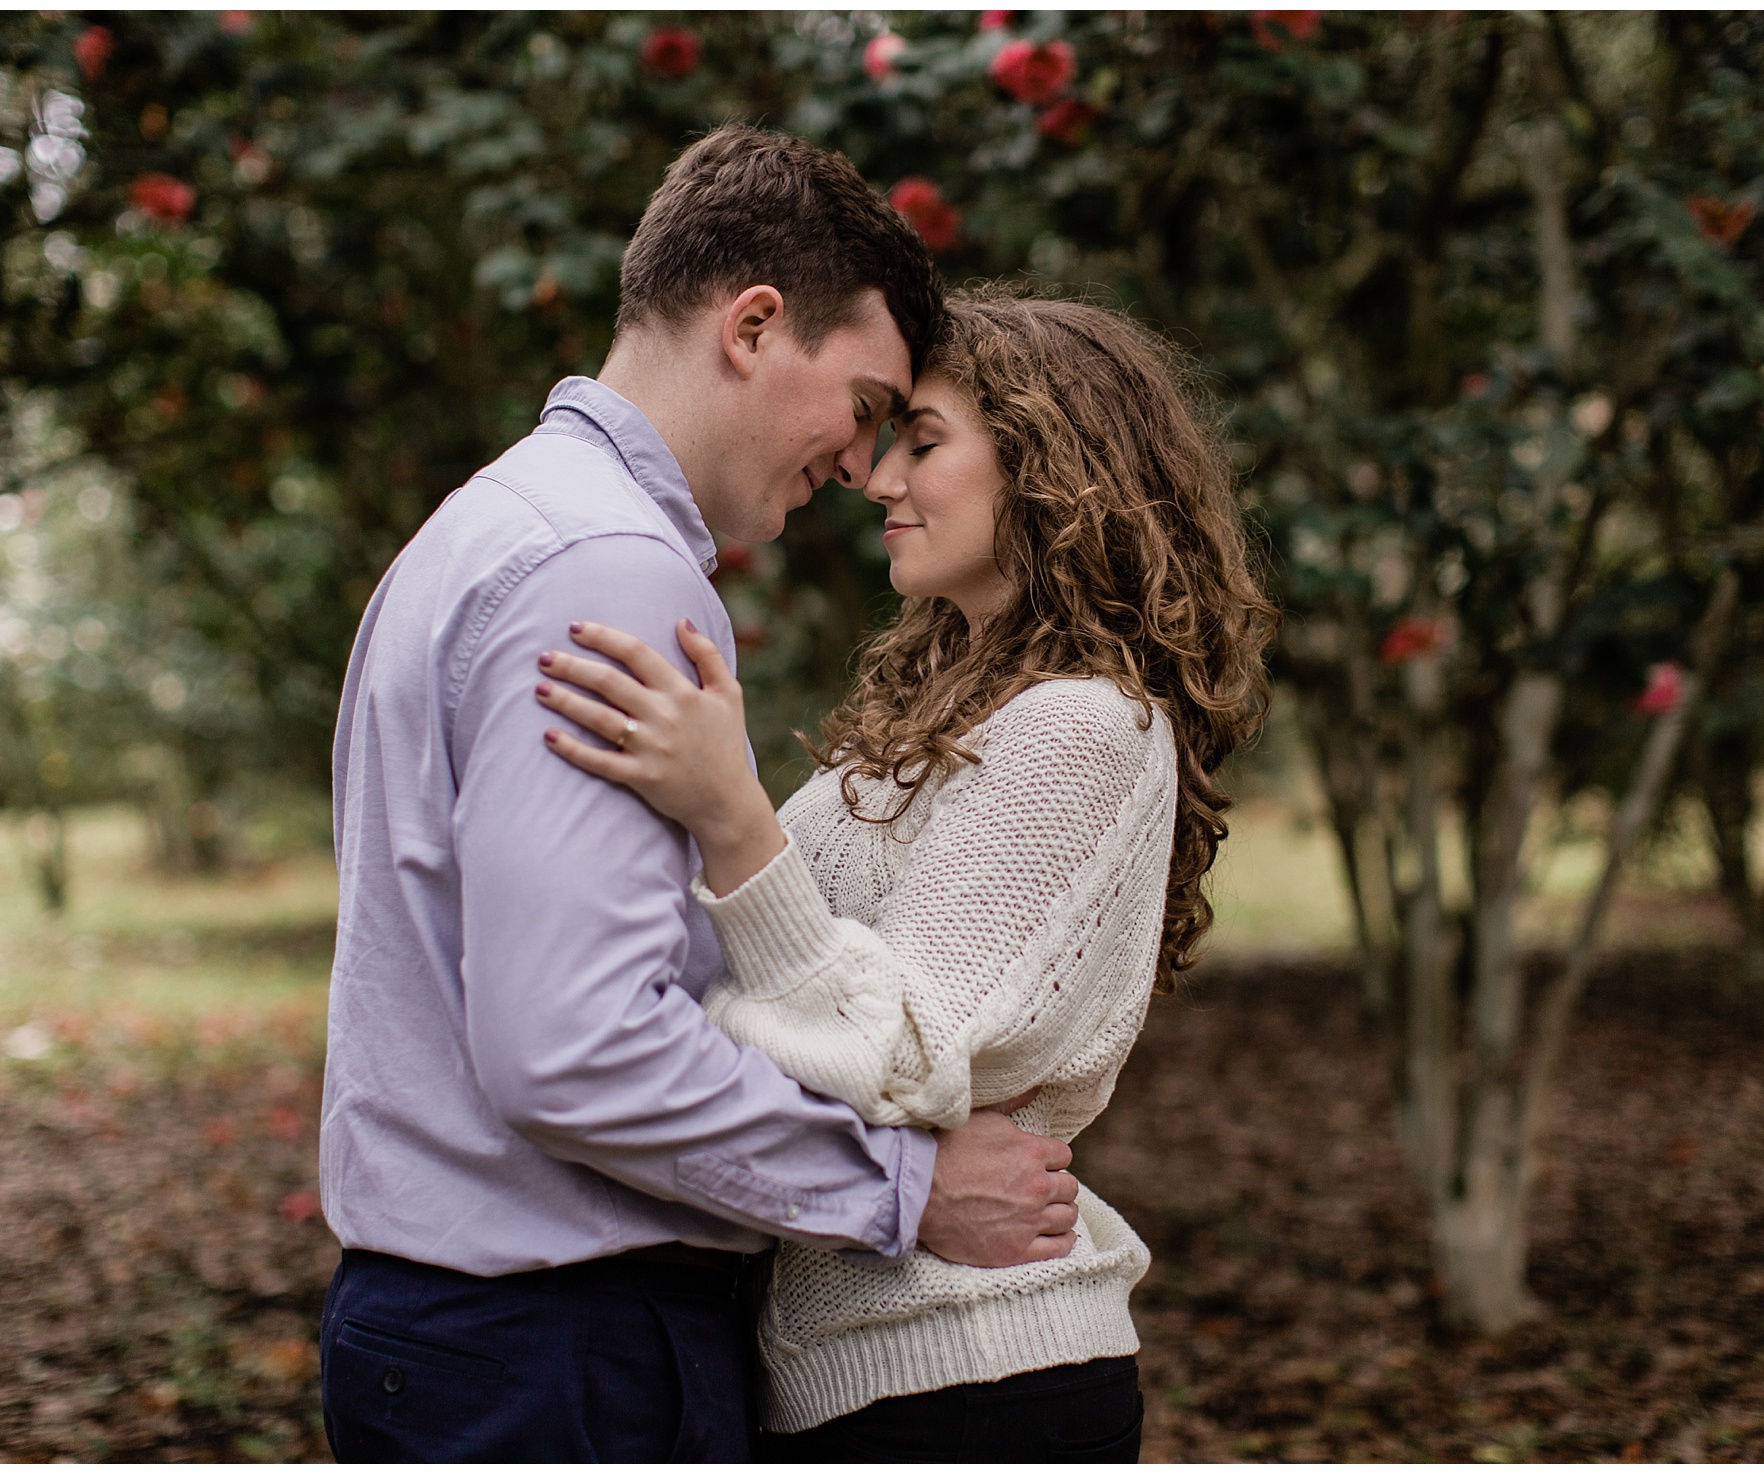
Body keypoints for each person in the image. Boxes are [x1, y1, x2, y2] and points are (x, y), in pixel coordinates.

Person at [316, 129, 1084, 1464]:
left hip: (466, 1335)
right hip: (559, 1355)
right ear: (753, 324)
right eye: (862, 405)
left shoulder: (489, 525)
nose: (860, 465)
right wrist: (904, 1187)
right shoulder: (611, 572)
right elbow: (577, 1045)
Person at [534, 292, 1277, 1460]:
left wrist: (730, 817)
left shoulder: (1084, 727)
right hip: (853, 1374)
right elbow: (772, 991)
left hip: (974, 1372)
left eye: (921, 442)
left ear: (1050, 466)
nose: (877, 479)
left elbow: (901, 1050)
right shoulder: (921, 727)